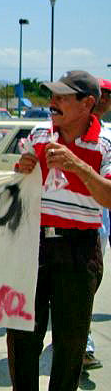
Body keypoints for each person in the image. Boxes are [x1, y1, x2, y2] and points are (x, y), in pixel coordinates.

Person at [10, 70, 111, 390]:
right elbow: (20, 188)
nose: (53, 102)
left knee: (70, 344)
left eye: (63, 97)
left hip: (79, 250)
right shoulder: (39, 133)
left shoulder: (106, 143)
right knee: (22, 338)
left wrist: (76, 165)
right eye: (52, 96)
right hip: (32, 244)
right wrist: (21, 170)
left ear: (88, 104)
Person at [82, 77, 111, 372]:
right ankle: (84, 341)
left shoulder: (108, 135)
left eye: (108, 97)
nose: (104, 101)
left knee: (92, 280)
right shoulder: (66, 130)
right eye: (100, 95)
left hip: (102, 217)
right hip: (76, 221)